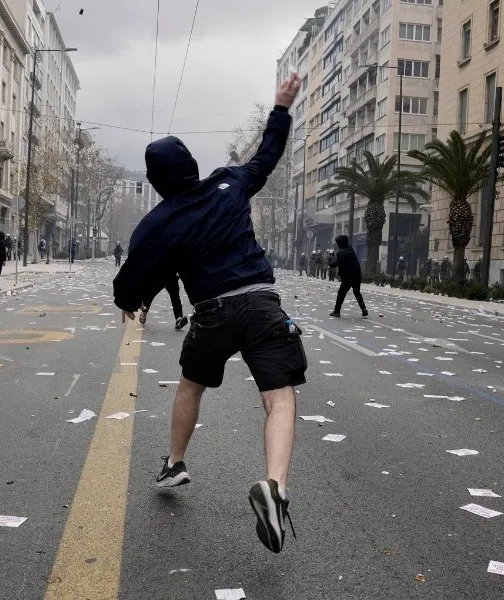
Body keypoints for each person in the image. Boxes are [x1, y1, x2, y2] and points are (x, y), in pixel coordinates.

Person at [113, 73, 305, 554]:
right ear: (193, 164)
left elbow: (136, 275)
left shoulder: (158, 223)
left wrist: (129, 301)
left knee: (190, 386)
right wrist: (280, 107)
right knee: (278, 399)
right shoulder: (229, 182)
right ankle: (276, 487)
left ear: (155, 182)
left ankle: (175, 461)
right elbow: (267, 157)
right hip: (261, 304)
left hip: (212, 314)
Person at [330, 235, 367, 318]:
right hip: (357, 274)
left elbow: (341, 265)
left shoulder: (340, 252)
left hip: (348, 276)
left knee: (341, 293)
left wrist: (340, 275)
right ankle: (364, 309)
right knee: (357, 292)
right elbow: (340, 261)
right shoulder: (351, 250)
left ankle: (337, 311)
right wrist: (332, 265)